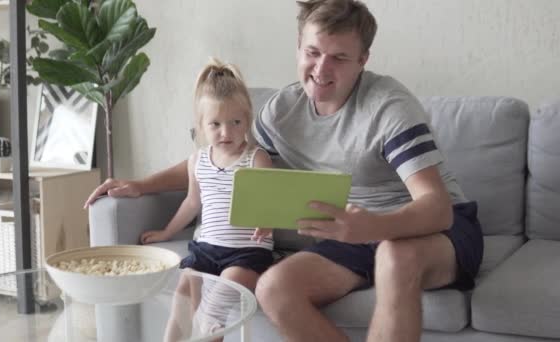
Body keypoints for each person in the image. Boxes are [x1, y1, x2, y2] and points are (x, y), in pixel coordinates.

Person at [84, 1, 484, 341]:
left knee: (395, 256)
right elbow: (224, 159)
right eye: (313, 52)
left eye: (340, 57)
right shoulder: (282, 110)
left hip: (431, 230)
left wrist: (372, 228)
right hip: (350, 234)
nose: (322, 69)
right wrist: (141, 184)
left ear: (363, 60)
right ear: (298, 48)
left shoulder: (388, 107)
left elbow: (437, 207)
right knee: (274, 287)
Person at [136, 58, 274, 341]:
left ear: (247, 120)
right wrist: (166, 232)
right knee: (182, 298)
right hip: (206, 249)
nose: (227, 132)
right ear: (201, 125)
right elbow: (191, 203)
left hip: (245, 254)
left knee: (215, 308)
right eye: (216, 124)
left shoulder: (256, 159)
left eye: (236, 122)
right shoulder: (197, 161)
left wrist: (267, 221)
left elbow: (271, 205)